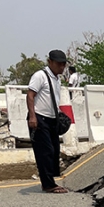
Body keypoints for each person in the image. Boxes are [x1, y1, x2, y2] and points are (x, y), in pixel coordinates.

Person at [27, 49, 68, 193]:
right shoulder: (40, 76)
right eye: (59, 64)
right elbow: (30, 95)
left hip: (52, 119)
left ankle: (51, 179)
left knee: (55, 150)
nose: (62, 67)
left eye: (63, 64)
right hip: (39, 118)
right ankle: (48, 184)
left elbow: (52, 98)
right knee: (45, 152)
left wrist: (59, 113)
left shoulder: (57, 79)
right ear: (50, 62)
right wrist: (32, 117)